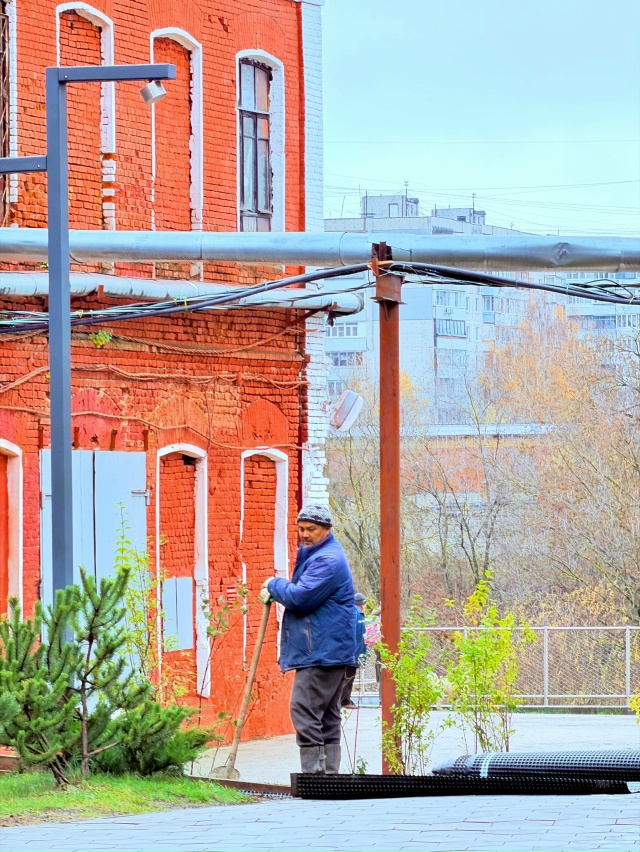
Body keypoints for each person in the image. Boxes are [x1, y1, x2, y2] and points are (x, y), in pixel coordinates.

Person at [260, 504, 356, 774]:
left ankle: (315, 775)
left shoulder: (327, 560)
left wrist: (273, 584)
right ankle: (328, 776)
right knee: (326, 713)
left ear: (327, 530)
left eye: (311, 529)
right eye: (301, 529)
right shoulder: (319, 556)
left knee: (304, 709)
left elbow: (300, 598)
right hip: (331, 648)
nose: (305, 534)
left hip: (322, 650)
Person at [340, 592, 367, 709]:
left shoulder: (359, 614)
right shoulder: (355, 614)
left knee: (349, 676)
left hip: (355, 652)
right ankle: (344, 701)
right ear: (362, 604)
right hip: (352, 653)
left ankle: (345, 699)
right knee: (348, 676)